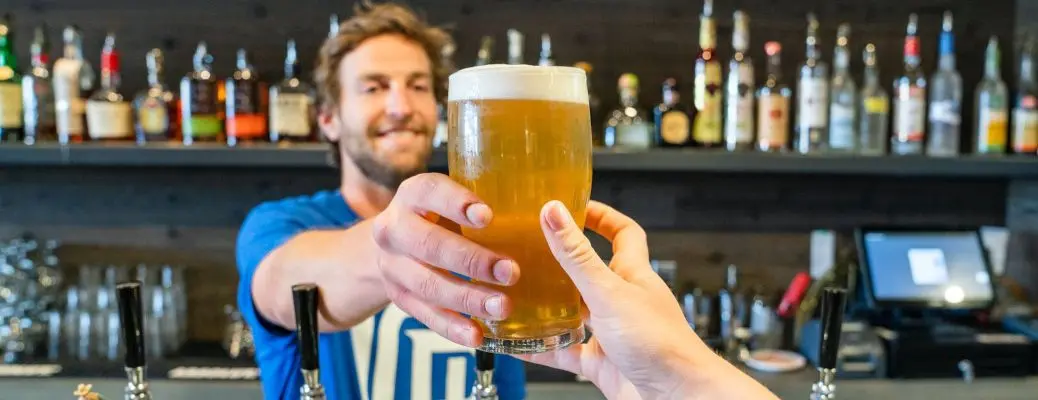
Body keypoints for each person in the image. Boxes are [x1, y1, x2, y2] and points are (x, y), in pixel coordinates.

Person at [234, 3, 527, 399]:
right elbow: (284, 285)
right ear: (328, 119)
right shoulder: (279, 224)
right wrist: (391, 246)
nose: (401, 107)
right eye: (374, 87)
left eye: (418, 86)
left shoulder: (486, 226)